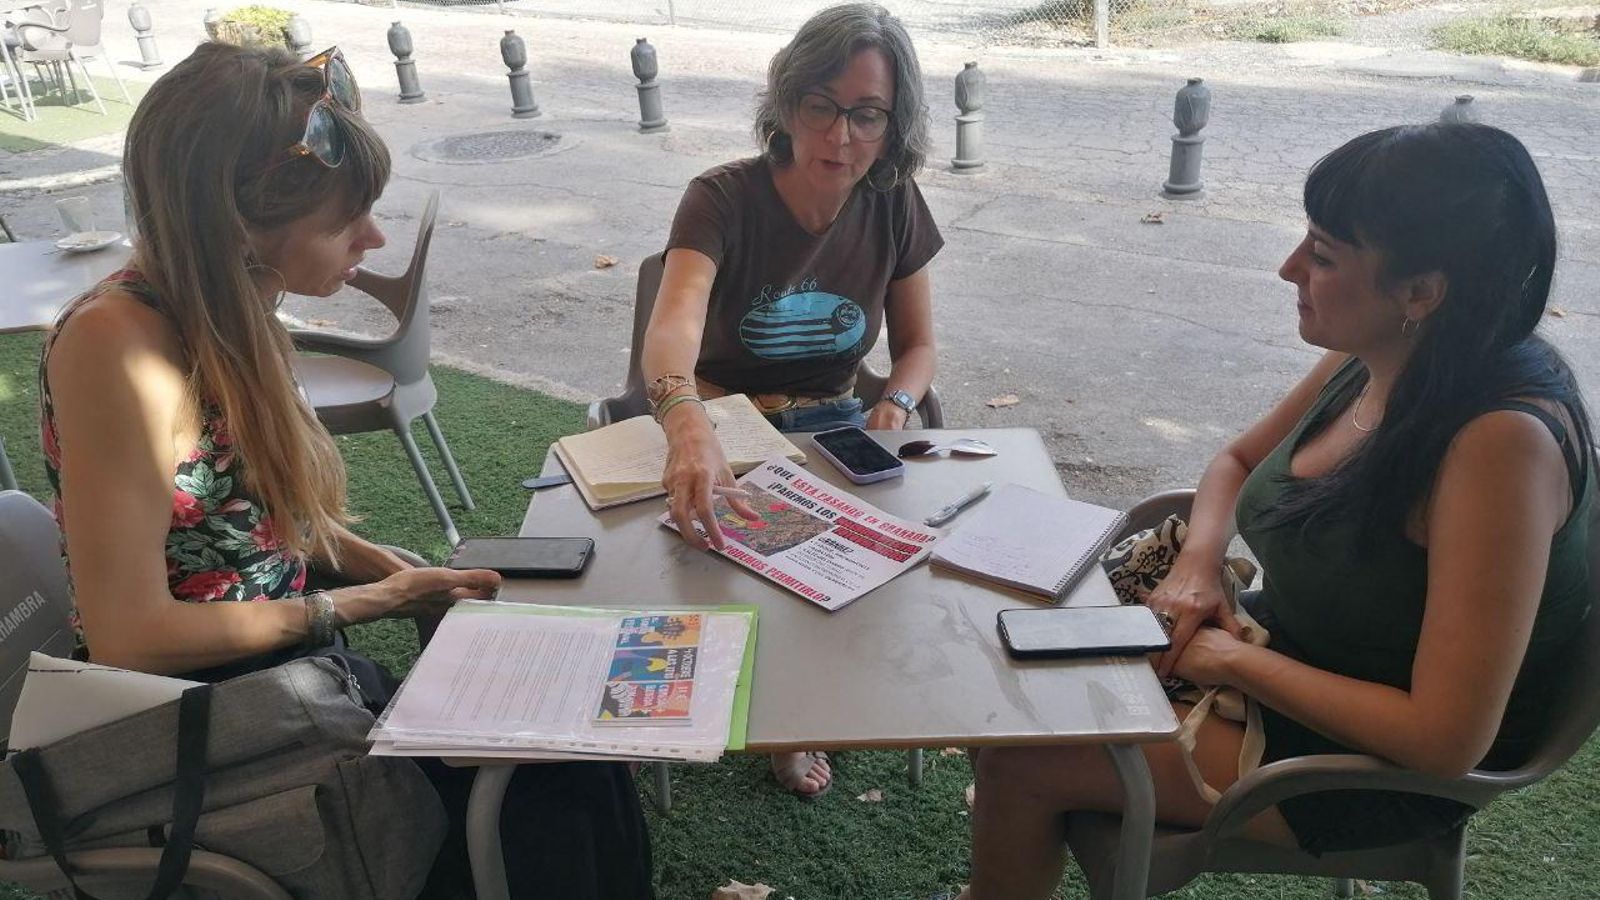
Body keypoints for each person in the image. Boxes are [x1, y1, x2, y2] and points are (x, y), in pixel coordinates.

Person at [40, 42, 654, 899]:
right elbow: (131, 635)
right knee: (543, 791)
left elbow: (263, 517)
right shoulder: (118, 346)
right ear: (235, 229)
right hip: (206, 711)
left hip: (289, 668)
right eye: (344, 220)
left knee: (572, 748)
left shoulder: (238, 310)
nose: (372, 237)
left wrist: (400, 572)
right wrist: (367, 601)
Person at [957, 123, 1594, 899]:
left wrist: (1227, 660)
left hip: (1373, 761)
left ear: (1422, 293)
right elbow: (1233, 461)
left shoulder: (1499, 446)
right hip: (1290, 653)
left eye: (1323, 256)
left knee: (1021, 757)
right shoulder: (1376, 355)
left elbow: (1445, 740)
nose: (1287, 266)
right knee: (1013, 682)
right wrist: (1197, 567)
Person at [640, 1, 943, 799]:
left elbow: (916, 348)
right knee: (718, 563)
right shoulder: (721, 197)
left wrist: (898, 407)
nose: (841, 137)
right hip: (724, 420)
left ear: (893, 123)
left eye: (868, 115)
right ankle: (747, 709)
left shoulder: (894, 200)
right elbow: (671, 331)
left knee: (852, 570)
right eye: (823, 107)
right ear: (787, 102)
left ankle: (793, 716)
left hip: (837, 423)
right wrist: (686, 423)